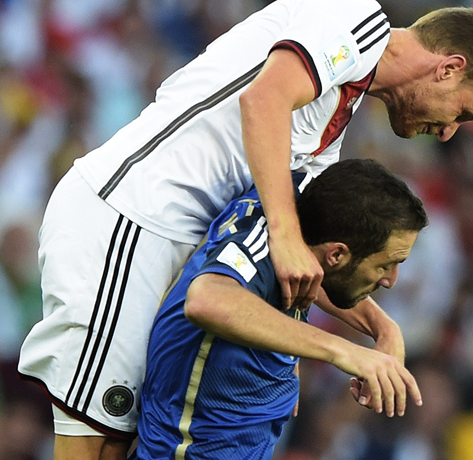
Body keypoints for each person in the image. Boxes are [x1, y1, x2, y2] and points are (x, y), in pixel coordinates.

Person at [17, 0, 473, 460]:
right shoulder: (357, 21)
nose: (448, 132)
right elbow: (264, 100)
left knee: (124, 446)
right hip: (129, 216)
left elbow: (306, 253)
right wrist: (284, 234)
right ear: (449, 68)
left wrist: (378, 327)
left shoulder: (335, 114)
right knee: (95, 442)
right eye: (462, 113)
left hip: (175, 241)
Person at [131, 158, 428, 459]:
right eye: (386, 265)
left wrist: (384, 328)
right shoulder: (256, 244)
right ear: (336, 253)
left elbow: (328, 278)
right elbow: (206, 299)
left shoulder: (302, 209)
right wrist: (345, 351)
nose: (391, 280)